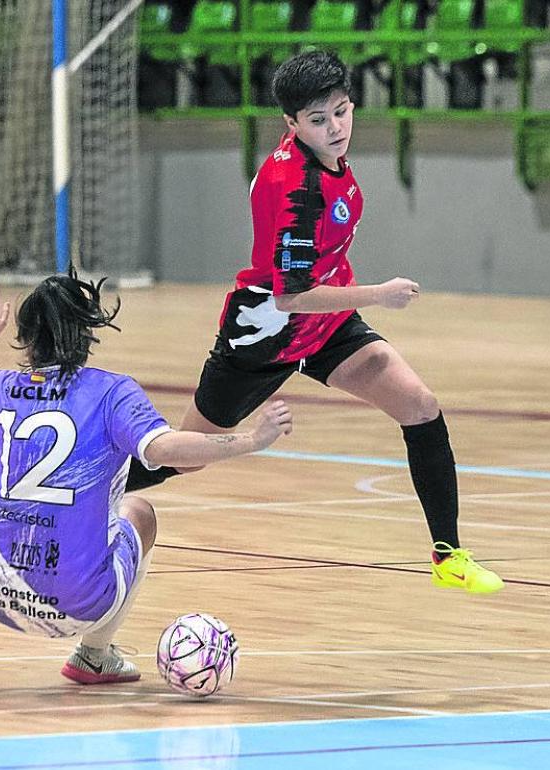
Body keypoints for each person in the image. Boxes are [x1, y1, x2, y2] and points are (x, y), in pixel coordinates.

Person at [123, 50, 503, 594]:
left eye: (342, 112)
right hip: (264, 335)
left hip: (326, 326)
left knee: (420, 406)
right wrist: (379, 294)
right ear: (292, 124)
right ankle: (73, 492)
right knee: (186, 458)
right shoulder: (297, 188)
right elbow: (291, 297)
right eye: (319, 120)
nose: (336, 128)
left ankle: (448, 555)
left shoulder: (327, 160)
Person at [0, 277, 295, 689]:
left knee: (9, 508)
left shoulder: (0, 388)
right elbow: (166, 450)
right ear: (86, 335)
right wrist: (250, 440)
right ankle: (94, 655)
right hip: (75, 607)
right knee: (139, 512)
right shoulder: (111, 393)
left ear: (26, 339)